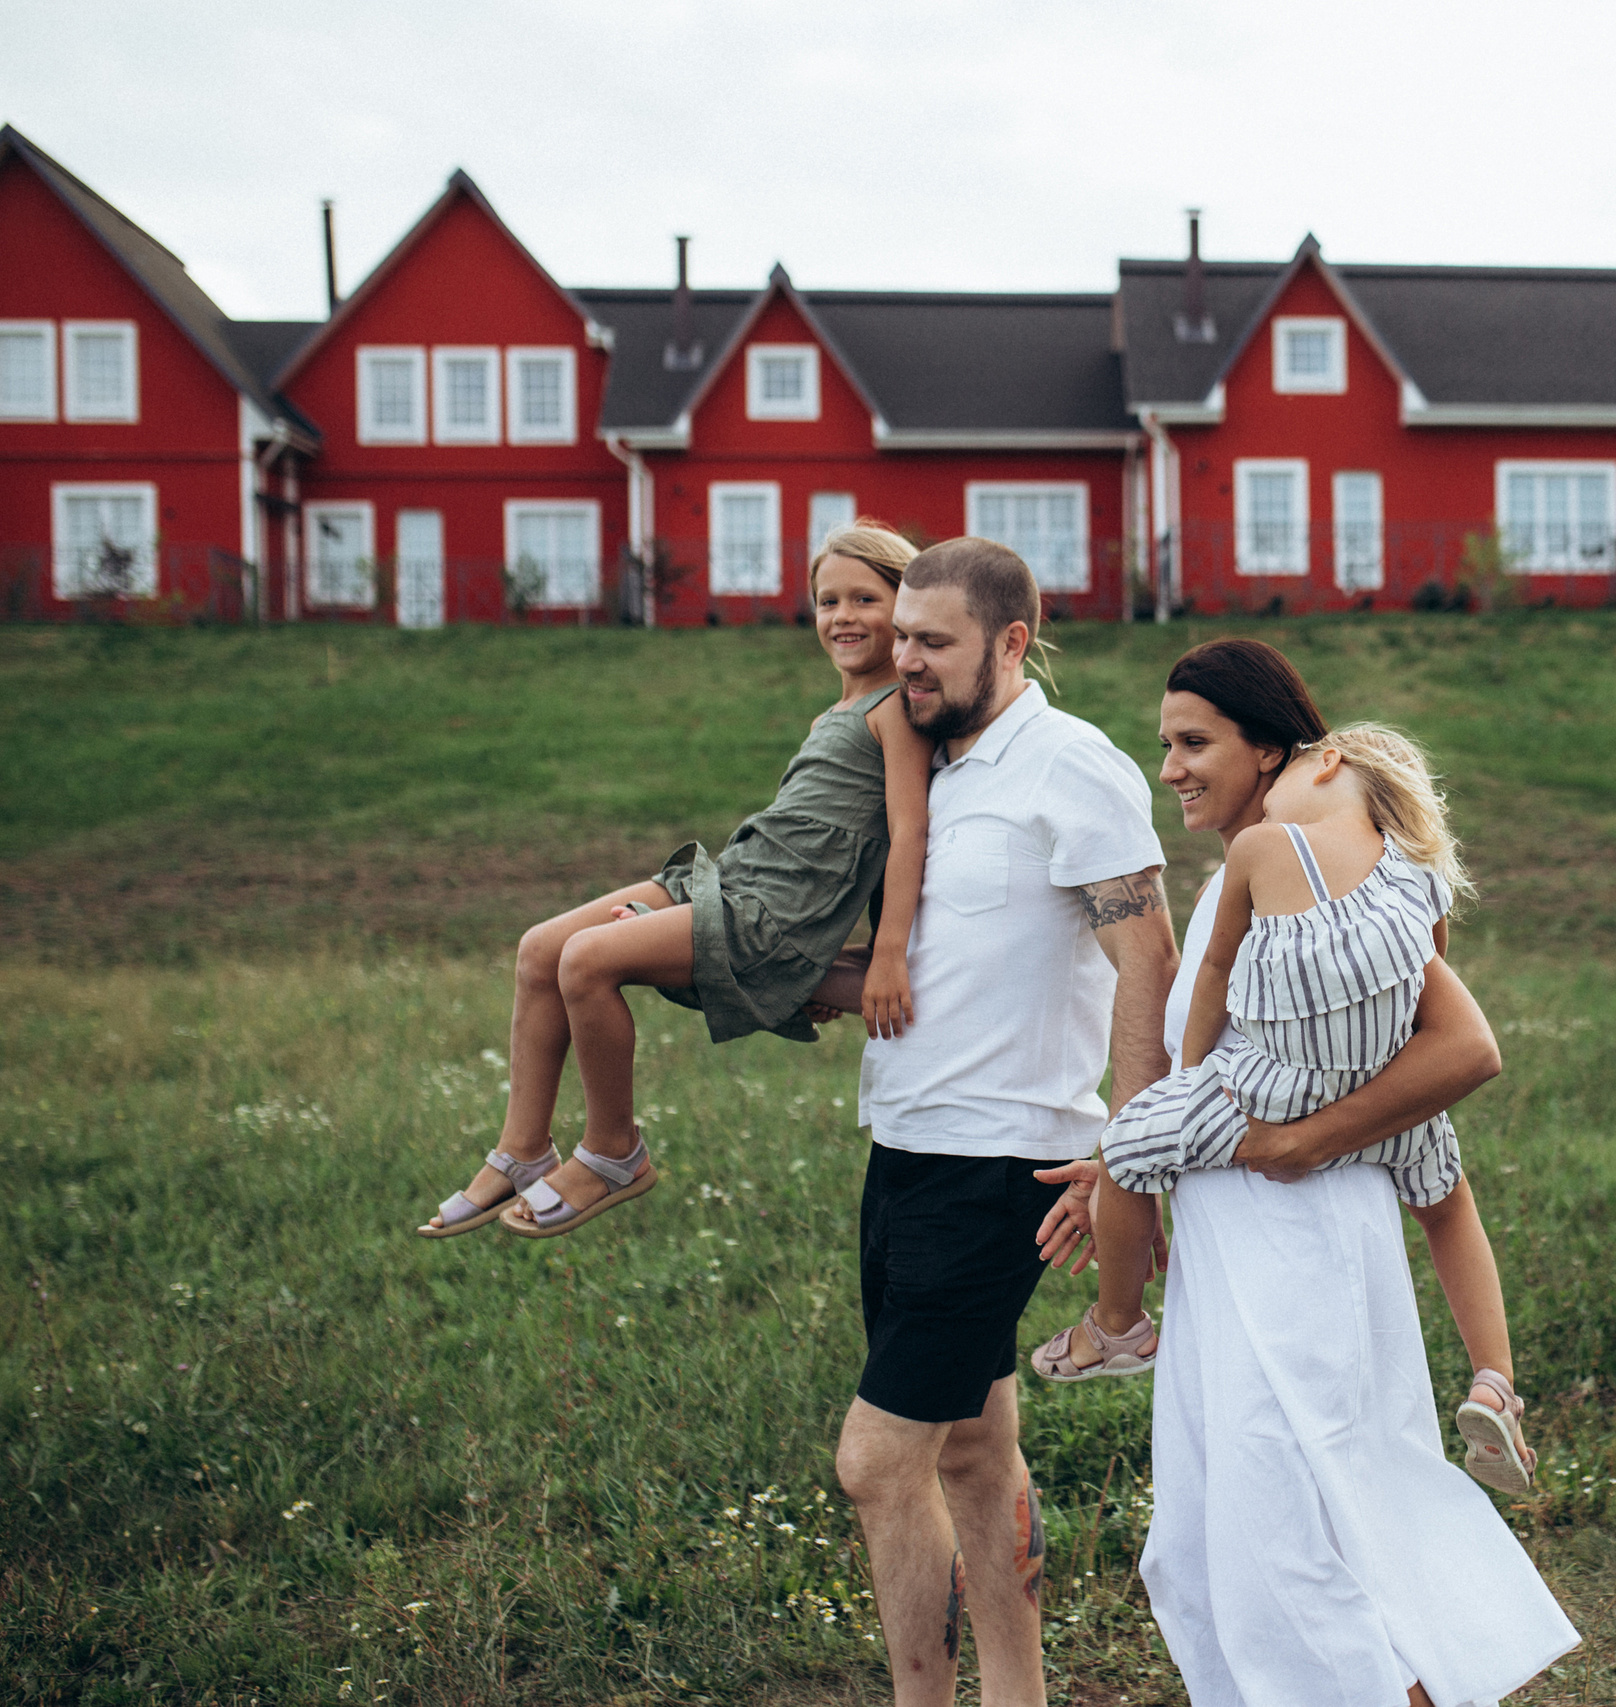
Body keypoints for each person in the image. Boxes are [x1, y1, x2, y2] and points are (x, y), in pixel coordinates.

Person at [1037, 638, 1577, 1707]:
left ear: (1270, 746)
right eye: (1164, 746)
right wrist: (1123, 1162)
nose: (1173, 768)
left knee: (1299, 1551)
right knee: (1223, 1549)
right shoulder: (1260, 886)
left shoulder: (1330, 901)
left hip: (1304, 1253)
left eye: (1195, 743)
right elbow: (1236, 1074)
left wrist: (1300, 1142)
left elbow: (1462, 1047)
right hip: (1229, 1263)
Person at [831, 538, 1179, 1707]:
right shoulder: (929, 767)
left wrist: (1127, 1159)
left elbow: (1152, 960)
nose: (905, 660)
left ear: (1013, 642)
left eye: (933, 642)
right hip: (905, 1152)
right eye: (900, 636)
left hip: (1000, 1168)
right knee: (976, 1453)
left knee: (879, 1466)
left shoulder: (1071, 766)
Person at [1032, 715, 1539, 1496]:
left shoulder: (1264, 849)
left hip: (1269, 1091)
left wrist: (1185, 1084)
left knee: (1129, 1147)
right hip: (1380, 1101)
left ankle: (1118, 1325)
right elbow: (1422, 980)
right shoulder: (1418, 874)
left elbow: (1212, 975)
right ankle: (1494, 1381)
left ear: (1327, 762)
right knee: (1449, 1203)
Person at [416, 521, 930, 1241]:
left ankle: (614, 1151)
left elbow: (906, 833)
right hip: (733, 877)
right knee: (540, 948)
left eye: (865, 599)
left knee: (586, 960)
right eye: (826, 600)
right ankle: (524, 1149)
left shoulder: (898, 715)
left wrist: (883, 950)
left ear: (906, 607)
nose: (842, 616)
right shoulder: (835, 712)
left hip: (767, 915)